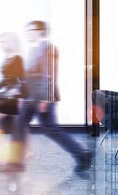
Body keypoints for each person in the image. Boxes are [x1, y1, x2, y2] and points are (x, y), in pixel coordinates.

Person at [11, 20, 92, 174]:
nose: (27, 33)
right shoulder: (33, 49)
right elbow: (31, 76)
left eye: (30, 30)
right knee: (21, 124)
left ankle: (82, 155)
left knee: (50, 129)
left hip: (42, 97)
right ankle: (15, 162)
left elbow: (49, 75)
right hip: (32, 97)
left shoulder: (48, 48)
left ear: (39, 31)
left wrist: (45, 98)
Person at [0, 32, 26, 162]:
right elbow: (6, 78)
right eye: (0, 42)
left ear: (11, 42)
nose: (1, 44)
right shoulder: (7, 57)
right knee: (16, 125)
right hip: (7, 94)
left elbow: (22, 79)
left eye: (3, 42)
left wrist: (17, 92)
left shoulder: (18, 58)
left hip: (15, 96)